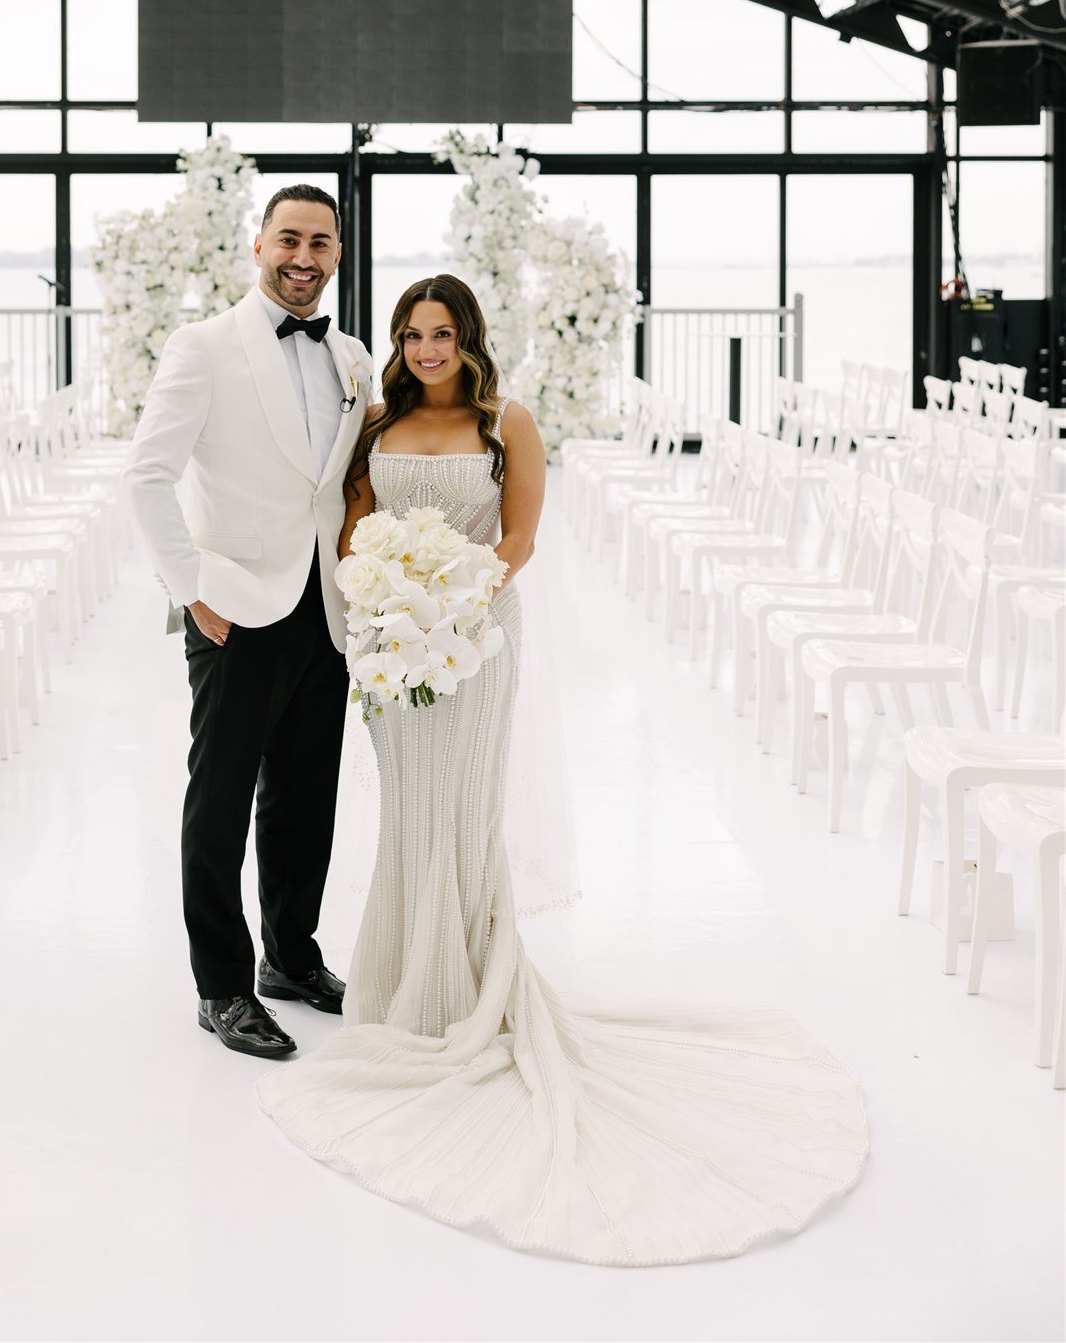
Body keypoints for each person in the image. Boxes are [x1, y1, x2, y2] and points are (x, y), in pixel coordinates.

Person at [257, 273, 868, 1266]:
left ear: (467, 338)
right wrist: (382, 603)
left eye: (439, 332)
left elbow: (519, 538)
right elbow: (350, 527)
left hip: (471, 639)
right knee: (409, 811)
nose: (423, 349)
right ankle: (404, 987)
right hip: (387, 643)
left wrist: (448, 601)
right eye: (410, 333)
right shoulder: (373, 421)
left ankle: (464, 991)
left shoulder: (509, 420)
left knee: (461, 808)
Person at [124, 185, 372, 1060]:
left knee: (307, 801)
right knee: (220, 804)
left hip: (324, 610)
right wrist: (191, 588)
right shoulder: (203, 347)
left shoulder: (352, 357)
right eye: (289, 239)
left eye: (321, 242)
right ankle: (222, 985)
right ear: (258, 245)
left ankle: (291, 960)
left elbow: (340, 486)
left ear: (338, 253)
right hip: (233, 607)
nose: (305, 257)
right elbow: (146, 475)